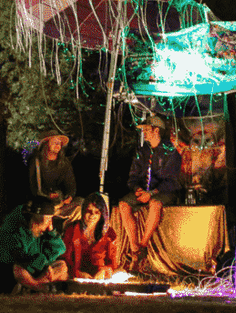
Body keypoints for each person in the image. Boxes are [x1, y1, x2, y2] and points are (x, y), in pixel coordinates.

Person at [119, 115, 181, 271]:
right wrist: (137, 189)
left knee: (155, 203)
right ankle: (135, 249)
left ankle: (144, 244)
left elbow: (172, 181)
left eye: (147, 130)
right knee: (123, 204)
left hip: (163, 192)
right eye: (144, 130)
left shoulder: (171, 152)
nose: (144, 133)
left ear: (156, 130)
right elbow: (133, 177)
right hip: (145, 191)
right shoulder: (142, 151)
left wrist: (152, 193)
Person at [0, 196, 68, 295]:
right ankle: (37, 286)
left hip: (28, 271)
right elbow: (22, 260)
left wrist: (51, 233)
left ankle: (32, 286)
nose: (50, 222)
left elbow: (60, 249)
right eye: (49, 218)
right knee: (18, 269)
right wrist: (44, 265)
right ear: (39, 217)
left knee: (61, 266)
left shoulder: (40, 231)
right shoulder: (14, 230)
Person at [29, 130, 82, 225]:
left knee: (81, 203)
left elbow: (71, 184)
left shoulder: (64, 163)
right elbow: (32, 186)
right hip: (42, 201)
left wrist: (69, 196)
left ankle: (66, 227)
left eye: (59, 143)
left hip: (59, 202)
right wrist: (47, 195)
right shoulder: (36, 162)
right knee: (44, 207)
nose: (57, 145)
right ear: (46, 144)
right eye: (54, 142)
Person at [61, 193, 120, 280]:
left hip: (99, 279)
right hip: (75, 277)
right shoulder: (72, 230)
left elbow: (112, 264)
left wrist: (104, 271)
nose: (92, 215)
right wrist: (77, 273)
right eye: (89, 211)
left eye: (97, 212)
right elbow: (66, 259)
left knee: (121, 273)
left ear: (101, 215)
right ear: (83, 211)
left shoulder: (109, 233)